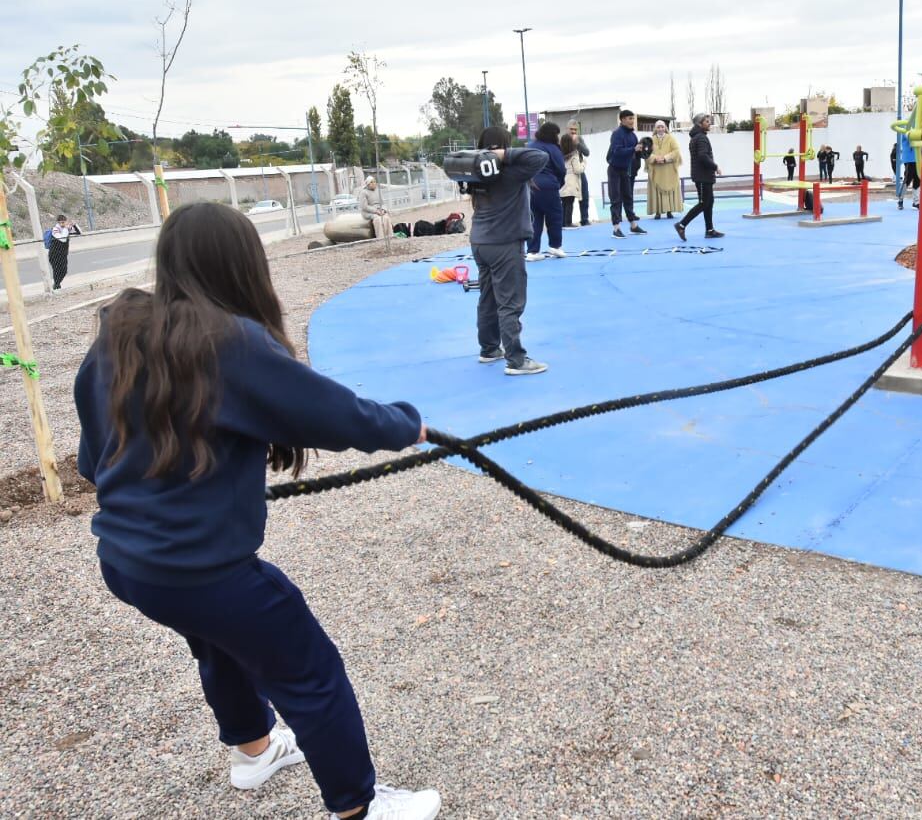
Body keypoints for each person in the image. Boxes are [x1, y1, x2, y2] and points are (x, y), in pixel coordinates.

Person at [73, 202, 442, 820]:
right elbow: (335, 414)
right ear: (242, 266)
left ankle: (254, 751)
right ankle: (358, 805)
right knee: (310, 671)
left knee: (220, 641)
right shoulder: (227, 342)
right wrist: (408, 424)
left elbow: (92, 458)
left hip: (127, 562)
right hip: (199, 570)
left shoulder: (119, 335)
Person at [469, 126, 550, 376]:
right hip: (504, 243)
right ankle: (516, 359)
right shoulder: (512, 170)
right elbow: (540, 157)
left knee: (488, 298)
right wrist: (502, 154)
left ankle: (489, 348)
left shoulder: (475, 171)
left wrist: (487, 154)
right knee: (510, 303)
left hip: (480, 242)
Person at [675, 113, 724, 241]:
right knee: (703, 203)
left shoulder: (697, 137)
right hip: (702, 176)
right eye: (706, 121)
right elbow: (703, 156)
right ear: (699, 124)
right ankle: (681, 225)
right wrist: (715, 167)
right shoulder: (701, 138)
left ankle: (709, 230)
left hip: (704, 176)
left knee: (709, 202)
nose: (709, 123)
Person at [527, 121, 566, 260]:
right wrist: (558, 184)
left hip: (530, 187)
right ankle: (555, 246)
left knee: (534, 218)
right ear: (553, 134)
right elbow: (561, 169)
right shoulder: (553, 148)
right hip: (548, 186)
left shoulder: (530, 146)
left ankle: (532, 251)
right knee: (554, 216)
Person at [605, 109, 648, 239]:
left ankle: (633, 226)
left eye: (633, 118)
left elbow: (636, 154)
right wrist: (633, 149)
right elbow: (617, 151)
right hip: (614, 170)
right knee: (616, 199)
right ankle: (616, 228)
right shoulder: (617, 134)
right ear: (622, 120)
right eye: (629, 118)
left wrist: (644, 150)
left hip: (625, 170)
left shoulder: (633, 136)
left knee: (628, 197)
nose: (632, 121)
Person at [646, 121, 682, 219]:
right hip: (656, 170)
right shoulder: (651, 140)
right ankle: (657, 212)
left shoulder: (671, 138)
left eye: (662, 127)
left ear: (665, 128)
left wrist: (665, 158)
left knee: (669, 189)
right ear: (655, 129)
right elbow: (646, 153)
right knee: (656, 190)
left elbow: (676, 151)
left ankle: (669, 211)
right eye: (658, 127)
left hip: (668, 170)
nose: (660, 129)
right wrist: (655, 158)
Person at [48, 214, 81, 290]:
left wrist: (74, 225)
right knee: (57, 271)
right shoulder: (55, 229)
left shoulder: (67, 229)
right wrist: (66, 228)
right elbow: (63, 239)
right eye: (61, 223)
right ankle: (56, 287)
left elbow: (79, 232)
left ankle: (56, 285)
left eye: (64, 222)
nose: (62, 224)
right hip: (54, 255)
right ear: (58, 222)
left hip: (63, 254)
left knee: (64, 271)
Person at [559, 132, 585, 229]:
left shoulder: (560, 154)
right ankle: (568, 222)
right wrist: (584, 164)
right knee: (570, 202)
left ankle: (562, 223)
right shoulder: (574, 155)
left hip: (562, 181)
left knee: (563, 203)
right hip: (571, 182)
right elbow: (578, 170)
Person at [568, 121, 591, 226]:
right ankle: (568, 221)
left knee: (585, 196)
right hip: (569, 173)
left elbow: (587, 152)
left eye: (575, 130)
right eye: (571, 129)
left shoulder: (579, 139)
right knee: (569, 197)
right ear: (567, 129)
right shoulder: (563, 139)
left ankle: (584, 219)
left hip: (581, 171)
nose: (573, 131)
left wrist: (578, 144)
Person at [898, 135, 920, 209]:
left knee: (918, 180)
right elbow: (911, 136)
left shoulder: (918, 131)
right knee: (907, 180)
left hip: (918, 160)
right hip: (909, 160)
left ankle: (916, 202)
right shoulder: (906, 132)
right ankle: (900, 200)